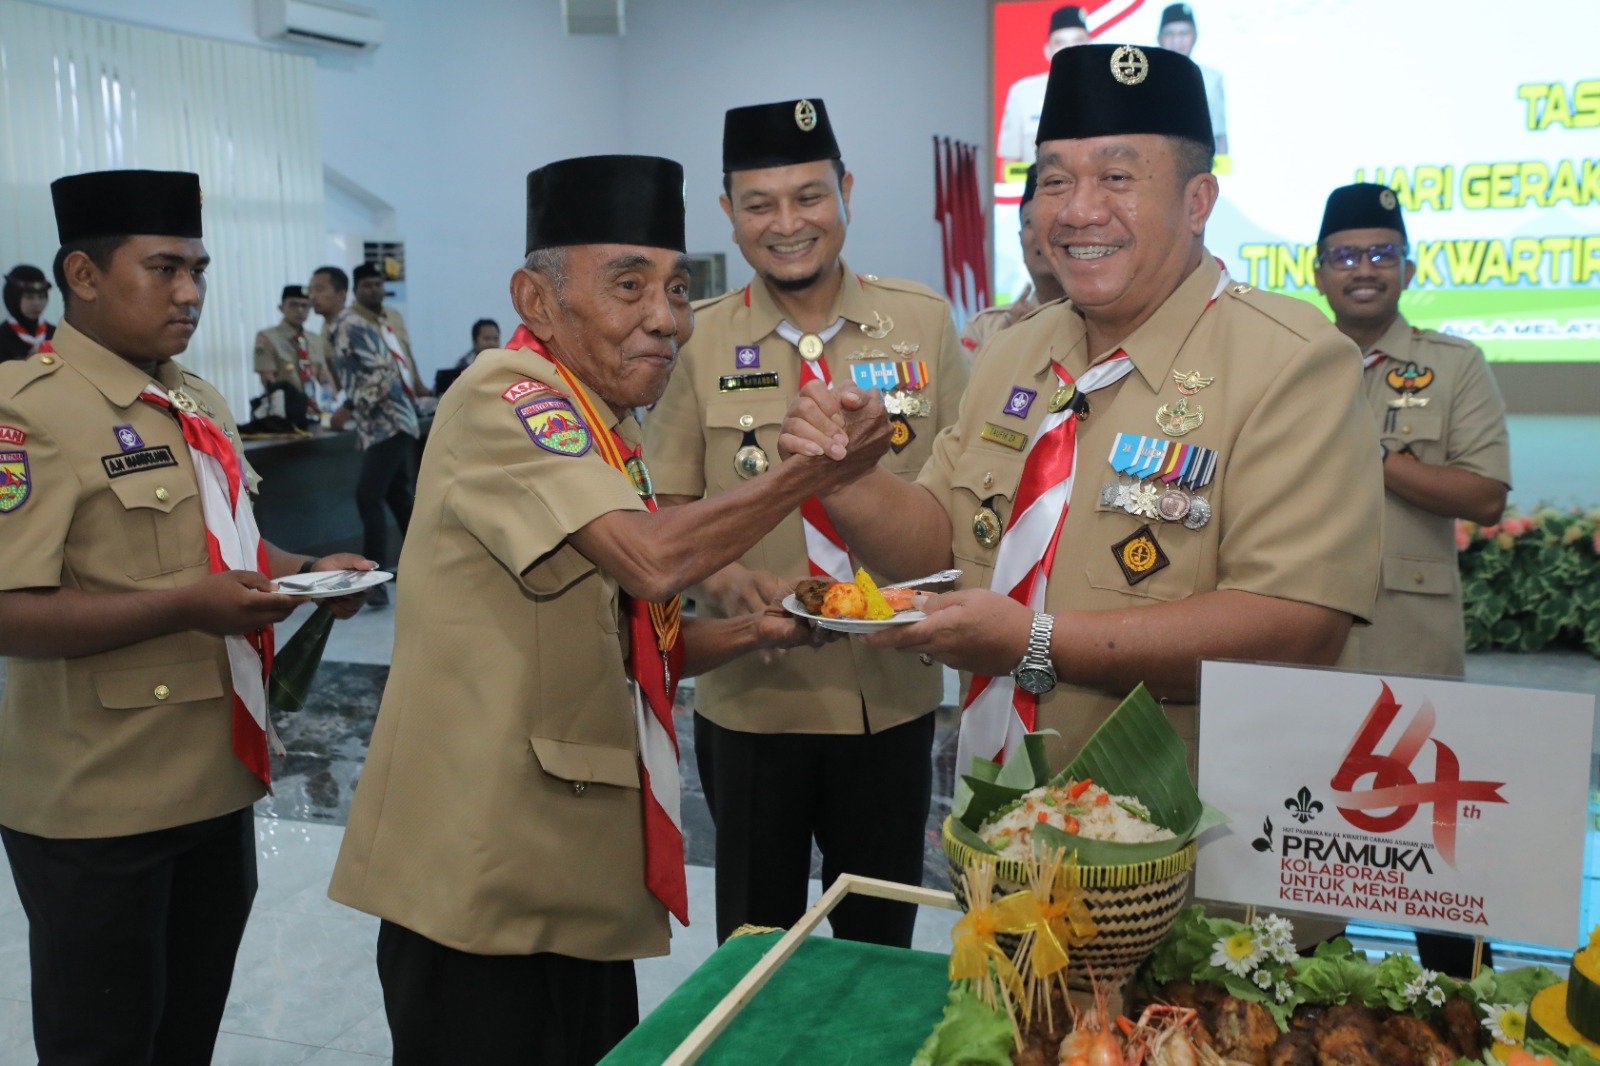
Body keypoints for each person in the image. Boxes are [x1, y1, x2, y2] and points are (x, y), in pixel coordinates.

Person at [328, 154, 888, 1065]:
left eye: (678, 289)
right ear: (537, 299)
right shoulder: (505, 395)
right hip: (481, 873)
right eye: (629, 286)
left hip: (572, 873)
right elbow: (650, 560)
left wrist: (756, 630)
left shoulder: (606, 423)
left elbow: (623, 638)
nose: (666, 318)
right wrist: (811, 474)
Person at [779, 44, 1383, 784]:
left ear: (1198, 202)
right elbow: (940, 543)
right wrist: (847, 477)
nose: (1077, 210)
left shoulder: (1291, 362)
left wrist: (1036, 641)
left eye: (1117, 178)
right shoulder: (1014, 349)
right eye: (1055, 180)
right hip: (993, 804)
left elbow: (1297, 626)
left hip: (1169, 820)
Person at [0, 168, 369, 1066]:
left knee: (185, 1034)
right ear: (84, 276)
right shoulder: (26, 410)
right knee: (103, 1044)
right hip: (97, 798)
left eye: (198, 269)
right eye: (163, 269)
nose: (191, 293)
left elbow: (229, 548)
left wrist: (308, 573)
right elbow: (9, 611)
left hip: (215, 774)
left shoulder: (194, 399)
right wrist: (185, 609)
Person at [645, 97, 970, 949]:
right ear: (728, 212)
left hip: (889, 698)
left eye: (809, 196)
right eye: (760, 204)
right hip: (756, 700)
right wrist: (731, 584)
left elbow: (969, 499)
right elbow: (667, 513)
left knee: (877, 946)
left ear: (846, 191)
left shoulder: (923, 322)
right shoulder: (697, 340)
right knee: (756, 945)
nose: (787, 223)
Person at [1313, 181, 1511, 976]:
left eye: (1380, 254)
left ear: (1408, 267)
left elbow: (1486, 496)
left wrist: (1377, 457)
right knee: (1305, 837)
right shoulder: (1291, 364)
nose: (1363, 269)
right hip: (1303, 637)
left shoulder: (1454, 366)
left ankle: (1463, 1004)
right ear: (1318, 271)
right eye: (1346, 256)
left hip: (1411, 647)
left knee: (1436, 852)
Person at [314, 263, 420, 605]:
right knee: (398, 498)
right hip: (381, 426)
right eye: (312, 290)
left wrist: (349, 407)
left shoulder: (350, 326)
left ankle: (373, 582)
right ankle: (428, 568)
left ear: (340, 294)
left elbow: (383, 373)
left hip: (390, 423)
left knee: (368, 496)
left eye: (320, 289)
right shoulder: (335, 328)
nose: (313, 296)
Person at [960, 164, 1067, 359]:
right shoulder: (985, 328)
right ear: (1020, 239)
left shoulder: (1106, 325)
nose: (1040, 234)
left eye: (1053, 222)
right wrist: (1010, 340)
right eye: (1029, 223)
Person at [997, 6, 1090, 171]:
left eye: (1078, 41)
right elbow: (1009, 168)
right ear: (1047, 51)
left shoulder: (1110, 93)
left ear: (1090, 45)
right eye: (1060, 42)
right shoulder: (1022, 94)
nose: (1069, 49)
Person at [351, 262, 431, 400]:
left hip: (406, 396)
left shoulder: (394, 316)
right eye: (367, 285)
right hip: (373, 398)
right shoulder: (350, 322)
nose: (374, 289)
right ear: (355, 290)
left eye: (378, 284)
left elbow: (406, 353)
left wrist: (419, 386)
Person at [252, 283, 333, 419]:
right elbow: (268, 379)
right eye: (293, 305)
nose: (300, 310)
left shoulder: (315, 340)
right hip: (283, 412)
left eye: (305, 306)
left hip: (313, 412)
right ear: (281, 308)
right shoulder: (267, 338)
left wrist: (331, 406)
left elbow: (324, 377)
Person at [1157, 3, 1228, 156]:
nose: (1177, 40)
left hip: (1197, 162)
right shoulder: (1147, 78)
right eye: (1170, 33)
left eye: (1184, 33)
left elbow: (1219, 134)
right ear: (1160, 38)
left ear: (1194, 37)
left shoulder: (1211, 79)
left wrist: (1222, 168)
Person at [1, 264, 55, 363]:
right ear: (13, 298)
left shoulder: (56, 334)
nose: (37, 303)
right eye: (29, 297)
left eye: (41, 296)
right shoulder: (2, 337)